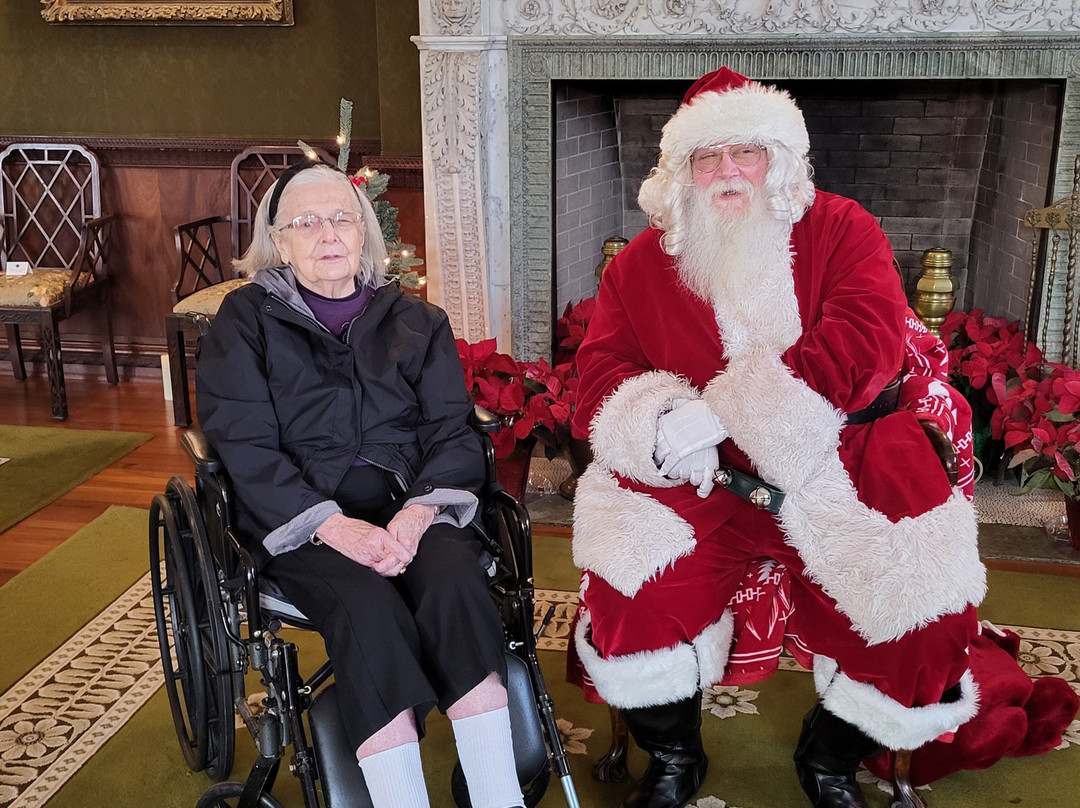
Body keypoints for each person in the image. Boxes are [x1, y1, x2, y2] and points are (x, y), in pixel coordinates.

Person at [567, 67, 1075, 808]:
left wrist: (726, 411)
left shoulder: (841, 227)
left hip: (848, 453)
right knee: (627, 586)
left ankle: (829, 755)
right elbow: (601, 375)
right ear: (680, 172)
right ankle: (674, 757)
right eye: (708, 157)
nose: (728, 172)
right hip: (700, 475)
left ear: (782, 161)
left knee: (926, 610)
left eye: (747, 151)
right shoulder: (644, 264)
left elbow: (866, 343)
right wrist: (668, 421)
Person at [195, 160, 525, 808]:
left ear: (364, 232)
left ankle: (496, 795)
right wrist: (335, 526)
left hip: (411, 510)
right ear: (279, 241)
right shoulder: (244, 322)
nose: (328, 233)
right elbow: (245, 445)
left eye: (341, 217)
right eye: (307, 222)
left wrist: (416, 516)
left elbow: (453, 432)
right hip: (303, 524)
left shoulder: (416, 321)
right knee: (366, 607)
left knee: (457, 584)